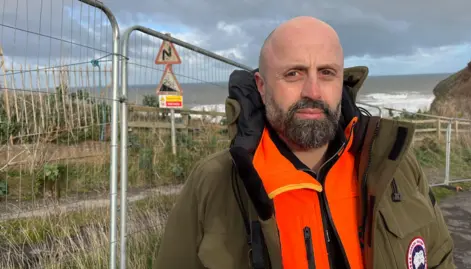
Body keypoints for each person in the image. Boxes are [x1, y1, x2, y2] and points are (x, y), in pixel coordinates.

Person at [153, 16, 455, 269]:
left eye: (326, 73)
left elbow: (440, 256)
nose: (313, 91)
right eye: (293, 73)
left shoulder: (394, 165)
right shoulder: (214, 184)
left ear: (340, 82)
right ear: (261, 86)